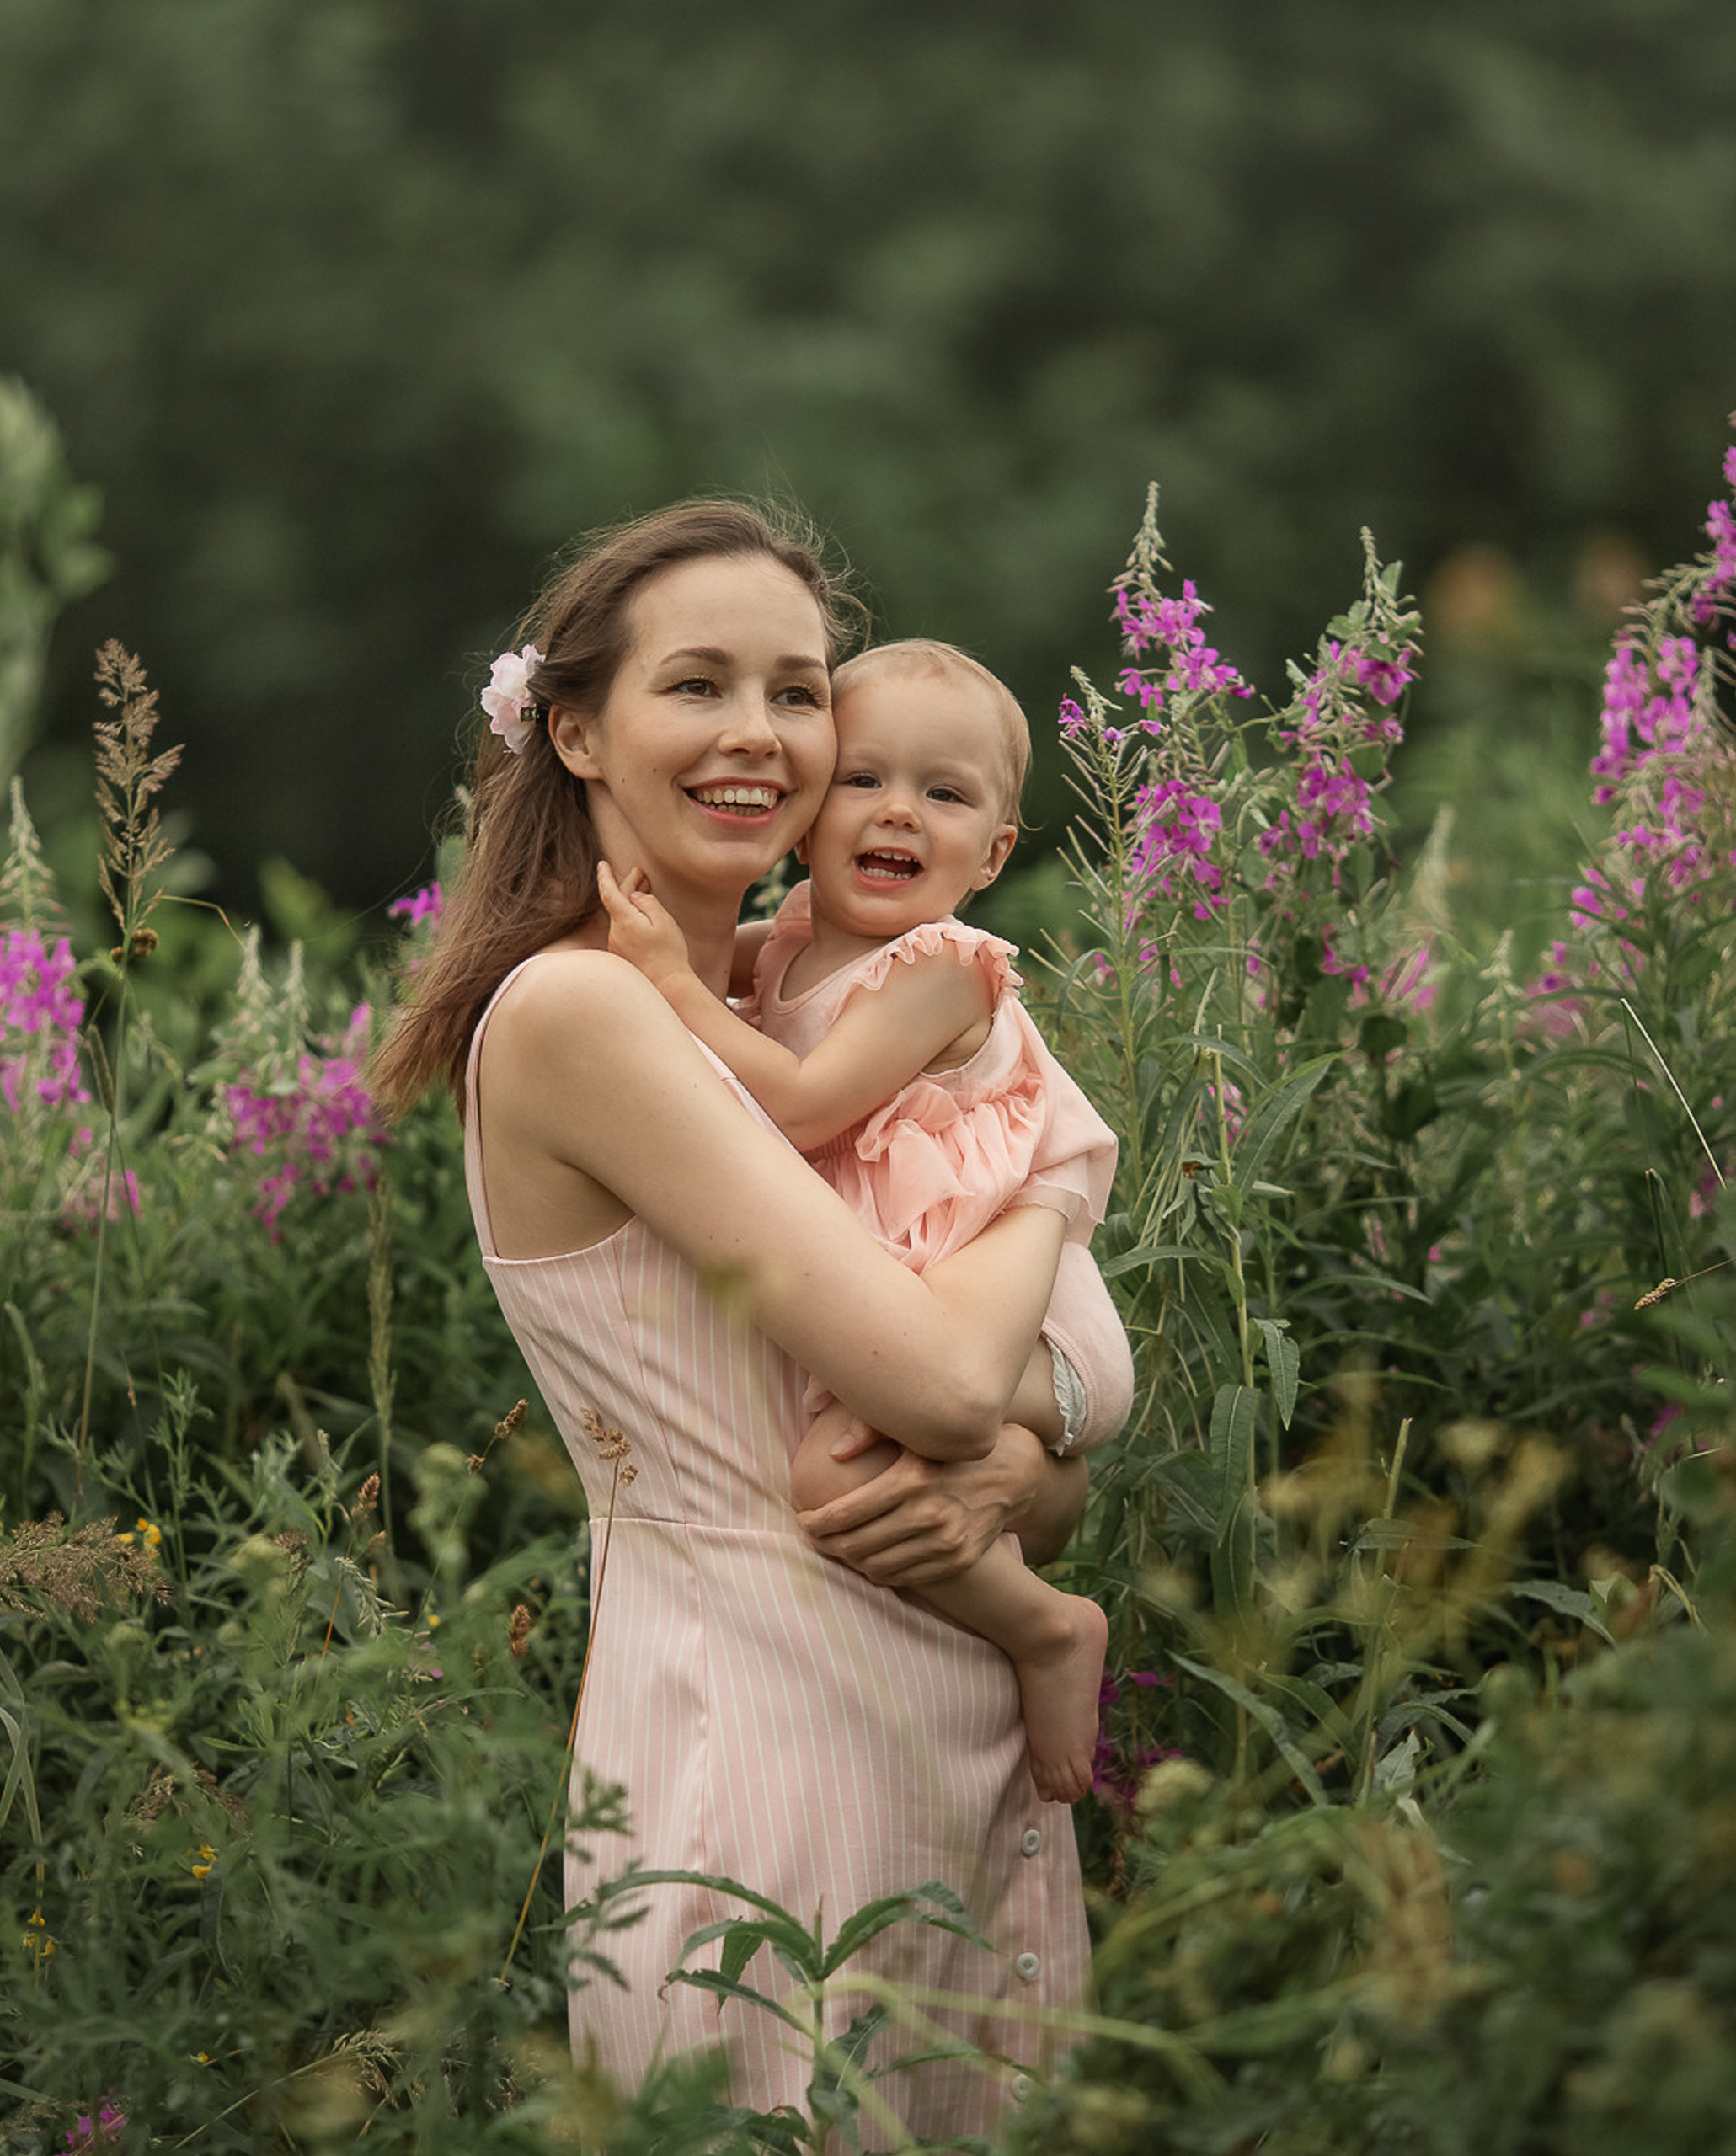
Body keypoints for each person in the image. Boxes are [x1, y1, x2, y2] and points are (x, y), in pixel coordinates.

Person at [372, 502, 1130, 2138]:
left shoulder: (794, 1013)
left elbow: (1021, 1444)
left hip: (956, 1734)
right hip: (764, 1742)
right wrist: (1060, 1181)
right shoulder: (585, 1007)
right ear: (575, 730)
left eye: (796, 692)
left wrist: (1031, 1470)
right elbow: (946, 1383)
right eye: (697, 684)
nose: (757, 733)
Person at [597, 638, 1116, 1805]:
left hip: (1034, 1333)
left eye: (945, 794)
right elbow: (708, 978)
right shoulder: (792, 937)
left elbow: (801, 1105)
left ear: (994, 853)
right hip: (939, 1303)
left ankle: (1047, 1629)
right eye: (863, 779)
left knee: (832, 1479)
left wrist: (667, 984)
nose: (898, 811)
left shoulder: (943, 966)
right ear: (804, 818)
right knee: (868, 1477)